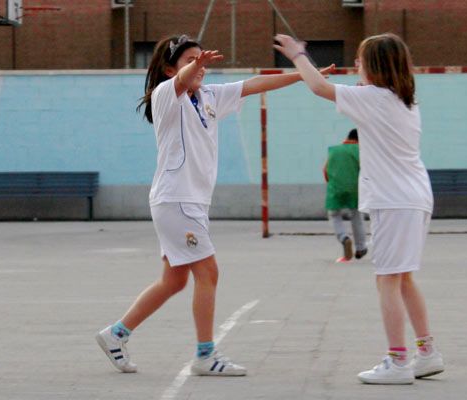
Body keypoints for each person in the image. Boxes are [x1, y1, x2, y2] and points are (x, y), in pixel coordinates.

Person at [96, 34, 332, 376]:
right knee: (208, 273)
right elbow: (180, 80)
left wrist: (304, 73)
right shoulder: (166, 95)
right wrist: (195, 63)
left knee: (175, 281)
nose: (201, 66)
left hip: (188, 202)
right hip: (177, 199)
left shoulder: (209, 97)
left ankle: (115, 335)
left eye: (202, 59)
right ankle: (205, 356)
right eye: (192, 60)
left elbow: (254, 84)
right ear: (169, 69)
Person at [274, 32, 444, 384]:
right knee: (403, 277)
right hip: (413, 198)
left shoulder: (375, 98)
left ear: (376, 66)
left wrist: (298, 55)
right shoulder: (403, 100)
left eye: (361, 60)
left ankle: (398, 362)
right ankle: (426, 353)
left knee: (387, 280)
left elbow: (319, 87)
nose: (356, 65)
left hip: (395, 201)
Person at [324, 128, 367, 262]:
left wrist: (331, 184)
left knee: (334, 214)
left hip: (335, 188)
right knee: (356, 216)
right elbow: (366, 170)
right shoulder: (361, 151)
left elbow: (325, 170)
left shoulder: (334, 151)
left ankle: (344, 237)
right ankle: (361, 248)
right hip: (355, 188)